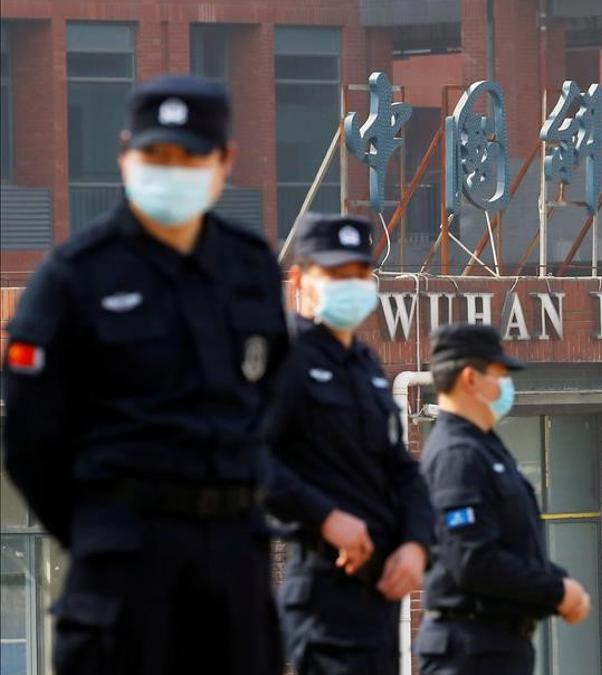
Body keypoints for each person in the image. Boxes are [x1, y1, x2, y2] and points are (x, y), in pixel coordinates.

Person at [1, 74, 286, 675]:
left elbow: (271, 401)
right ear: (125, 153)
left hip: (234, 559)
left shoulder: (251, 265)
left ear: (225, 160)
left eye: (189, 155)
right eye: (155, 154)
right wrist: (102, 528)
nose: (170, 169)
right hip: (125, 563)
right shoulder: (75, 277)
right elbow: (30, 439)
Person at [267, 213, 434, 675]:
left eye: (361, 273)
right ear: (299, 278)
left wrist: (417, 543)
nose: (353, 284)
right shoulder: (284, 359)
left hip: (378, 598)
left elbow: (402, 468)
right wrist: (325, 517)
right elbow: (248, 460)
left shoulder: (365, 364)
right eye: (337, 274)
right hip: (323, 592)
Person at [414, 323, 591, 675]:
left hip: (496, 648)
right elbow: (472, 560)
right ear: (469, 378)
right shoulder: (457, 455)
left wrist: (558, 583)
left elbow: (515, 544)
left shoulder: (485, 448)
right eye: (499, 374)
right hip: (471, 650)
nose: (507, 385)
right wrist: (555, 591)